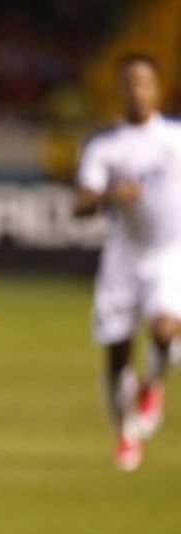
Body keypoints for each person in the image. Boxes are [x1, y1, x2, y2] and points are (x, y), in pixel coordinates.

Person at [74, 53, 181, 471]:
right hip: (123, 255)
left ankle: (152, 384)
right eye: (129, 82)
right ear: (119, 89)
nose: (136, 89)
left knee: (164, 328)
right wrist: (109, 195)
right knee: (117, 354)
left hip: (170, 253)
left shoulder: (175, 138)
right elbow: (80, 204)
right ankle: (125, 433)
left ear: (158, 88)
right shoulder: (106, 145)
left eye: (144, 81)